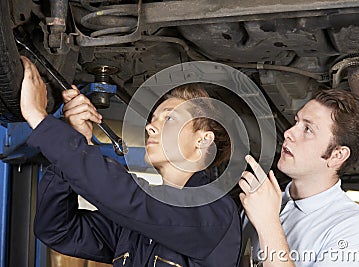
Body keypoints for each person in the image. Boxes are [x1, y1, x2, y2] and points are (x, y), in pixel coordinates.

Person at [19, 56, 241, 266]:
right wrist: (78, 139)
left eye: (170, 118)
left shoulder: (214, 212)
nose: (150, 126)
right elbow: (57, 229)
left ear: (203, 139)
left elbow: (132, 199)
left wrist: (40, 119)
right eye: (153, 119)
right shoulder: (134, 225)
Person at [239, 89, 359, 266]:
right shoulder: (262, 201)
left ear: (337, 155)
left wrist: (268, 225)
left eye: (307, 129)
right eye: (296, 122)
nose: (288, 133)